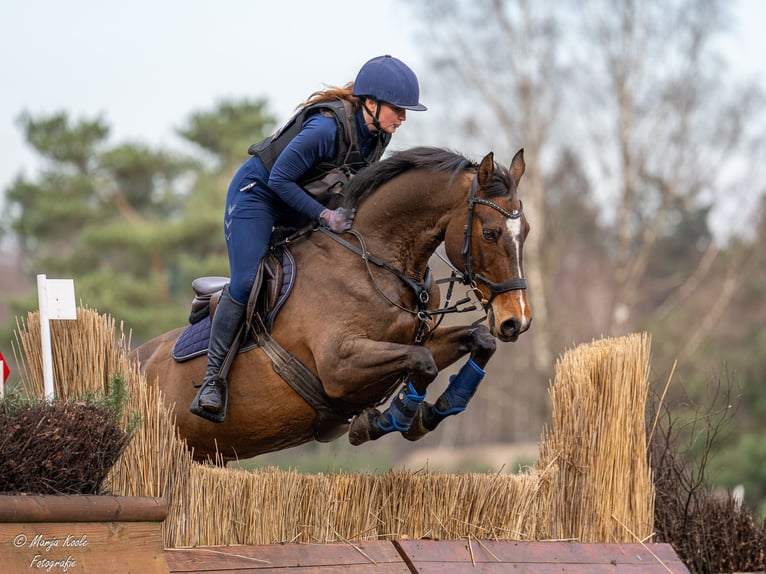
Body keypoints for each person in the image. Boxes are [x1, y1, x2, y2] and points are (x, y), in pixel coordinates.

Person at [191, 55, 427, 422]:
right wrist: (324, 215)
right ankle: (212, 381)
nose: (403, 117)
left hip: (298, 202)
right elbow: (279, 180)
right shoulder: (326, 128)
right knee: (246, 279)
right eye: (398, 109)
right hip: (258, 196)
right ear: (370, 102)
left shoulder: (376, 137)